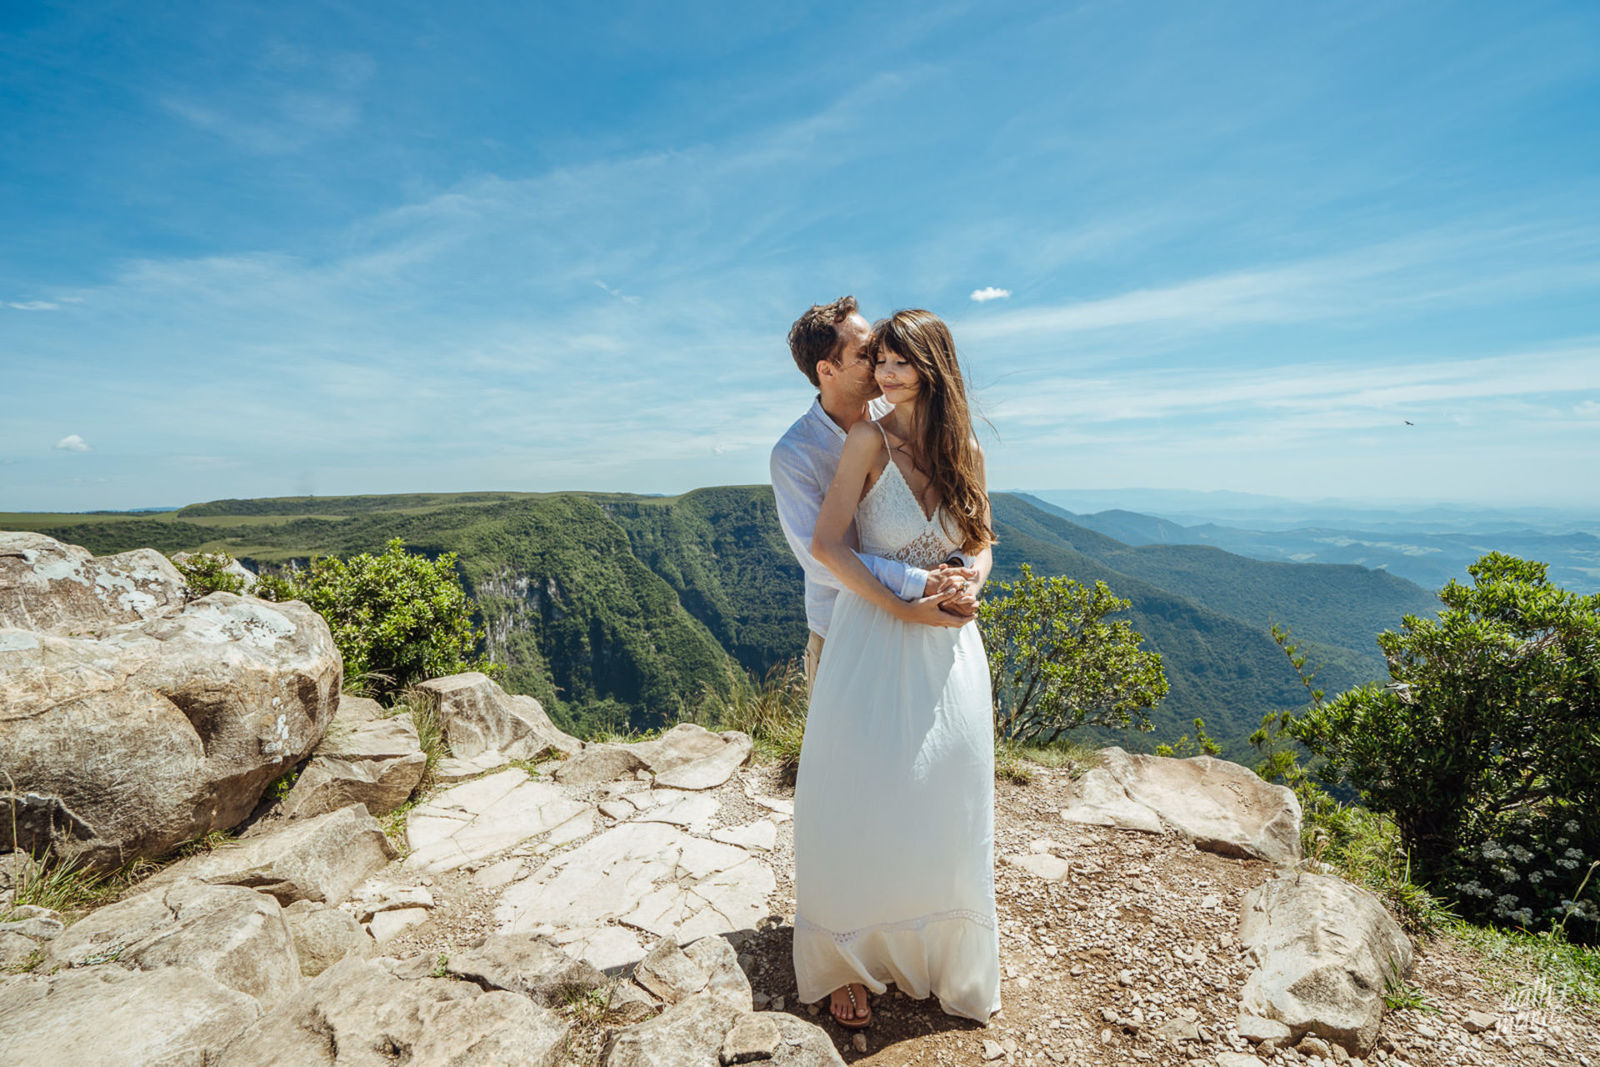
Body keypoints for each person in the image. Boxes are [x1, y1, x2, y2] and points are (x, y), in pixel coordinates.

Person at [791, 308, 1001, 1029]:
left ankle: (940, 951)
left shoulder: (963, 444)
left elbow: (981, 537)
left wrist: (972, 579)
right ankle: (851, 955)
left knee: (946, 792)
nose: (884, 373)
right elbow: (827, 545)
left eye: (900, 361)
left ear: (932, 366)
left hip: (951, 645)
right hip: (875, 635)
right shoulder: (863, 440)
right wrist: (908, 601)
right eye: (879, 359)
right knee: (860, 792)